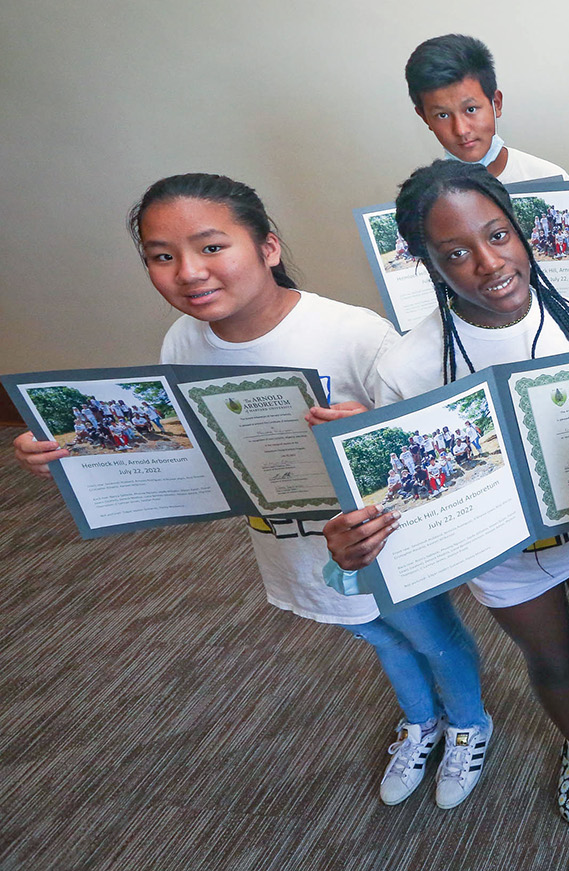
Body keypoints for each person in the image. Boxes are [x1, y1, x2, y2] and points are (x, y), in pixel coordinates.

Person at [12, 173, 490, 810]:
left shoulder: (354, 334)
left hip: (378, 542)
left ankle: (468, 724)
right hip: (286, 535)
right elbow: (191, 453)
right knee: (372, 632)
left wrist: (368, 431)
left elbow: (429, 433)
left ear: (267, 247)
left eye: (212, 247)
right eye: (162, 256)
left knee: (426, 628)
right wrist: (69, 458)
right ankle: (421, 719)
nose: (188, 272)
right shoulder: (183, 342)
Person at [322, 161, 569, 827]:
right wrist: (356, 522)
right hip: (505, 557)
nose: (488, 262)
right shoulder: (409, 366)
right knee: (549, 660)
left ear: (521, 231)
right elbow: (400, 505)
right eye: (456, 252)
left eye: (498, 235)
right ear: (426, 263)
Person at [405, 34, 569, 184]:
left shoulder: (548, 180)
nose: (461, 130)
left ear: (496, 103)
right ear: (425, 118)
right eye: (442, 115)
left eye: (470, 109)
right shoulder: (423, 200)